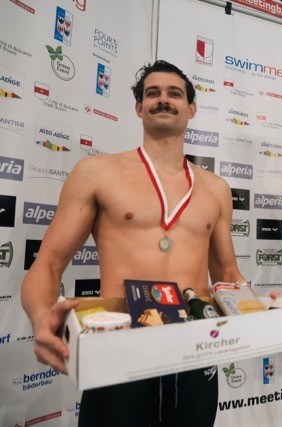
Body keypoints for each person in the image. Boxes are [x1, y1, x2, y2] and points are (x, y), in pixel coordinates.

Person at [21, 60, 245, 426]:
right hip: (119, 343)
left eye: (175, 93)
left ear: (191, 108)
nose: (163, 99)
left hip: (195, 347)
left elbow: (228, 275)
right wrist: (41, 316)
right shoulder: (97, 172)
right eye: (152, 93)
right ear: (139, 108)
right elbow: (48, 263)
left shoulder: (216, 188)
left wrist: (261, 312)